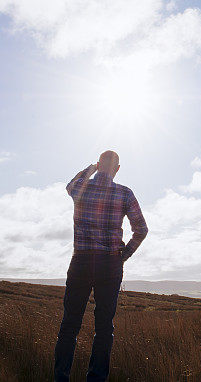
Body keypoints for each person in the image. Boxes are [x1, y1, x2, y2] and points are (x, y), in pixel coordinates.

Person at [54, 150, 148, 382]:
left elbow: (70, 184)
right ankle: (96, 379)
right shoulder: (125, 193)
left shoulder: (80, 188)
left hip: (82, 261)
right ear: (117, 169)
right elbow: (141, 229)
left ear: (99, 165)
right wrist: (123, 255)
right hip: (110, 264)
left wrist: (90, 168)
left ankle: (61, 378)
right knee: (104, 326)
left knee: (70, 324)